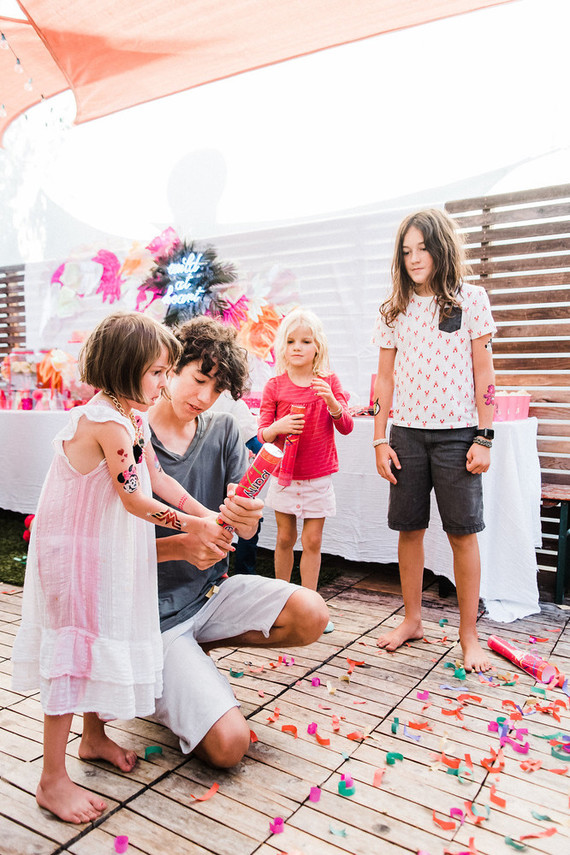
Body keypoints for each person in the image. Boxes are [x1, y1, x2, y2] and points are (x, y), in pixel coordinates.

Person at [10, 311, 236, 824]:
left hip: (102, 548)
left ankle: (92, 737)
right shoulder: (105, 421)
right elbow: (135, 499)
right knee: (75, 647)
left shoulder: (129, 417)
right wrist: (189, 528)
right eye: (157, 372)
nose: (163, 383)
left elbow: (156, 477)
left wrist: (207, 516)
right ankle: (51, 778)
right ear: (123, 368)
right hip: (74, 553)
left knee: (101, 634)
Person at [149, 316, 329, 767]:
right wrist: (183, 541)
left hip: (210, 596)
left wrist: (246, 518)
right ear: (170, 367)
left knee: (312, 613)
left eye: (217, 389)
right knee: (230, 748)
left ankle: (193, 657)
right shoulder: (131, 440)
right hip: (152, 618)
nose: (204, 398)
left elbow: (242, 532)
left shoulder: (225, 430)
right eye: (198, 380)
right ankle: (153, 681)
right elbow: (105, 551)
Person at [372, 209, 496, 672]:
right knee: (409, 530)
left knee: (462, 533)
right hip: (405, 435)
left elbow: (484, 371)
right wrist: (379, 441)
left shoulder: (472, 299)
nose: (414, 258)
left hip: (458, 435)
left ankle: (469, 635)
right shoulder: (393, 308)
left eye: (422, 247)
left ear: (442, 247)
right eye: (406, 251)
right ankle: (412, 620)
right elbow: (383, 380)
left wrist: (484, 436)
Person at [257, 308, 353, 617]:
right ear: (282, 348)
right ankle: (280, 602)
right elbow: (262, 434)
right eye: (290, 341)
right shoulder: (275, 386)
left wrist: (332, 402)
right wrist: (279, 427)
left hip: (317, 476)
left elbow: (347, 425)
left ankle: (311, 607)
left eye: (305, 341)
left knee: (312, 540)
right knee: (285, 537)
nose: (297, 347)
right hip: (285, 475)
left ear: (318, 347)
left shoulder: (327, 382)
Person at [210, 390, 263, 574]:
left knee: (242, 519)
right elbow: (255, 442)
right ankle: (242, 572)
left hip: (229, 476)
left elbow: (253, 441)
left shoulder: (234, 404)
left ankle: (239, 571)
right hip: (226, 478)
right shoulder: (233, 403)